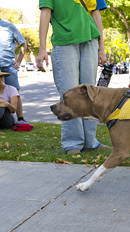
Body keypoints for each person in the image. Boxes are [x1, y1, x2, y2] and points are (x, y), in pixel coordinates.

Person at [36, 0, 109, 154]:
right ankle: (72, 143)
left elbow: (96, 14)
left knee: (90, 94)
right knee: (69, 94)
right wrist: (42, 49)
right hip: (65, 43)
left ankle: (90, 141)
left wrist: (101, 48)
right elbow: (45, 13)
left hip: (90, 41)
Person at [0, 18, 27, 123]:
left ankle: (20, 119)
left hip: (8, 66)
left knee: (15, 91)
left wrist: (19, 61)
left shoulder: (9, 27)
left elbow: (23, 44)